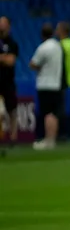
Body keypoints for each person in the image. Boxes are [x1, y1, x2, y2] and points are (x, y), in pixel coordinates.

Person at [29, 24, 63, 151]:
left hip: (45, 83)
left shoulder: (43, 48)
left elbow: (33, 63)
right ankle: (52, 139)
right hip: (56, 83)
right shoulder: (58, 46)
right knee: (54, 113)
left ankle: (47, 140)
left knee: (47, 113)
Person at [0, 16, 19, 151]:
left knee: (12, 110)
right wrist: (4, 59)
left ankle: (13, 138)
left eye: (3, 23)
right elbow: (7, 60)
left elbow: (11, 61)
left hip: (8, 82)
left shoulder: (13, 44)